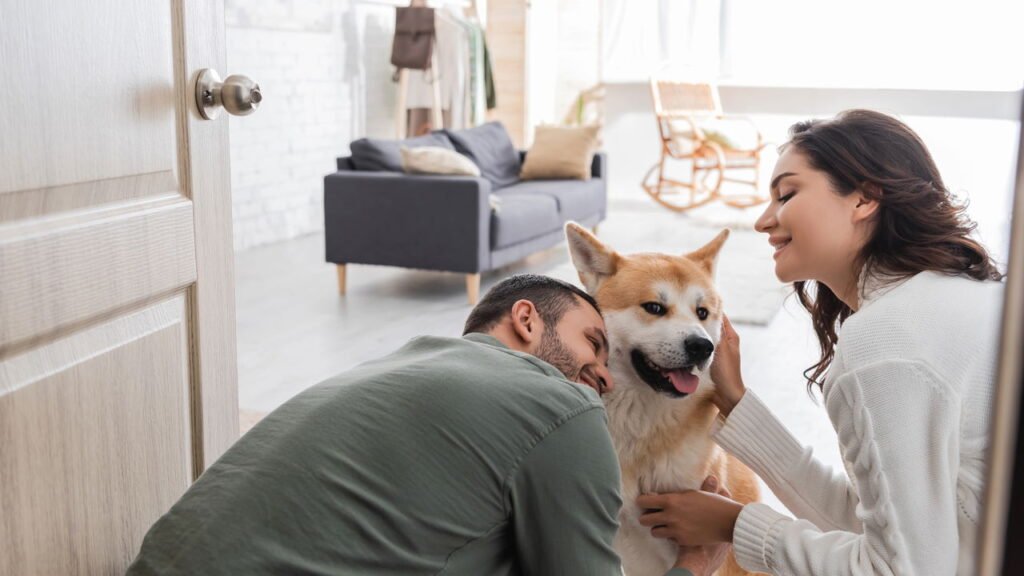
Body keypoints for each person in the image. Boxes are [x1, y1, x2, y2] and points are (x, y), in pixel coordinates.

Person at [126, 274, 729, 575]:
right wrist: (695, 565)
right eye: (592, 345)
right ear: (525, 321)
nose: (602, 376)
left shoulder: (391, 368)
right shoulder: (559, 406)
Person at [635, 109, 1006, 574]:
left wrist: (737, 526)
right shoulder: (959, 299)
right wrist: (736, 402)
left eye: (786, 194)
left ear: (864, 199)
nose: (763, 221)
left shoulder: (886, 342)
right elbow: (883, 527)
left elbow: (899, 569)